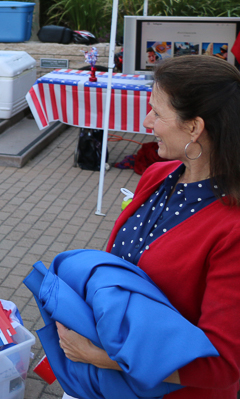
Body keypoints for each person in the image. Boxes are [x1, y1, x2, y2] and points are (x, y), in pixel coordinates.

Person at [55, 55, 240, 399]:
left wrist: (105, 358)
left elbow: (223, 364)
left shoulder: (232, 229)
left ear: (194, 128)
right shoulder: (157, 176)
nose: (146, 121)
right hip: (99, 381)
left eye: (157, 112)